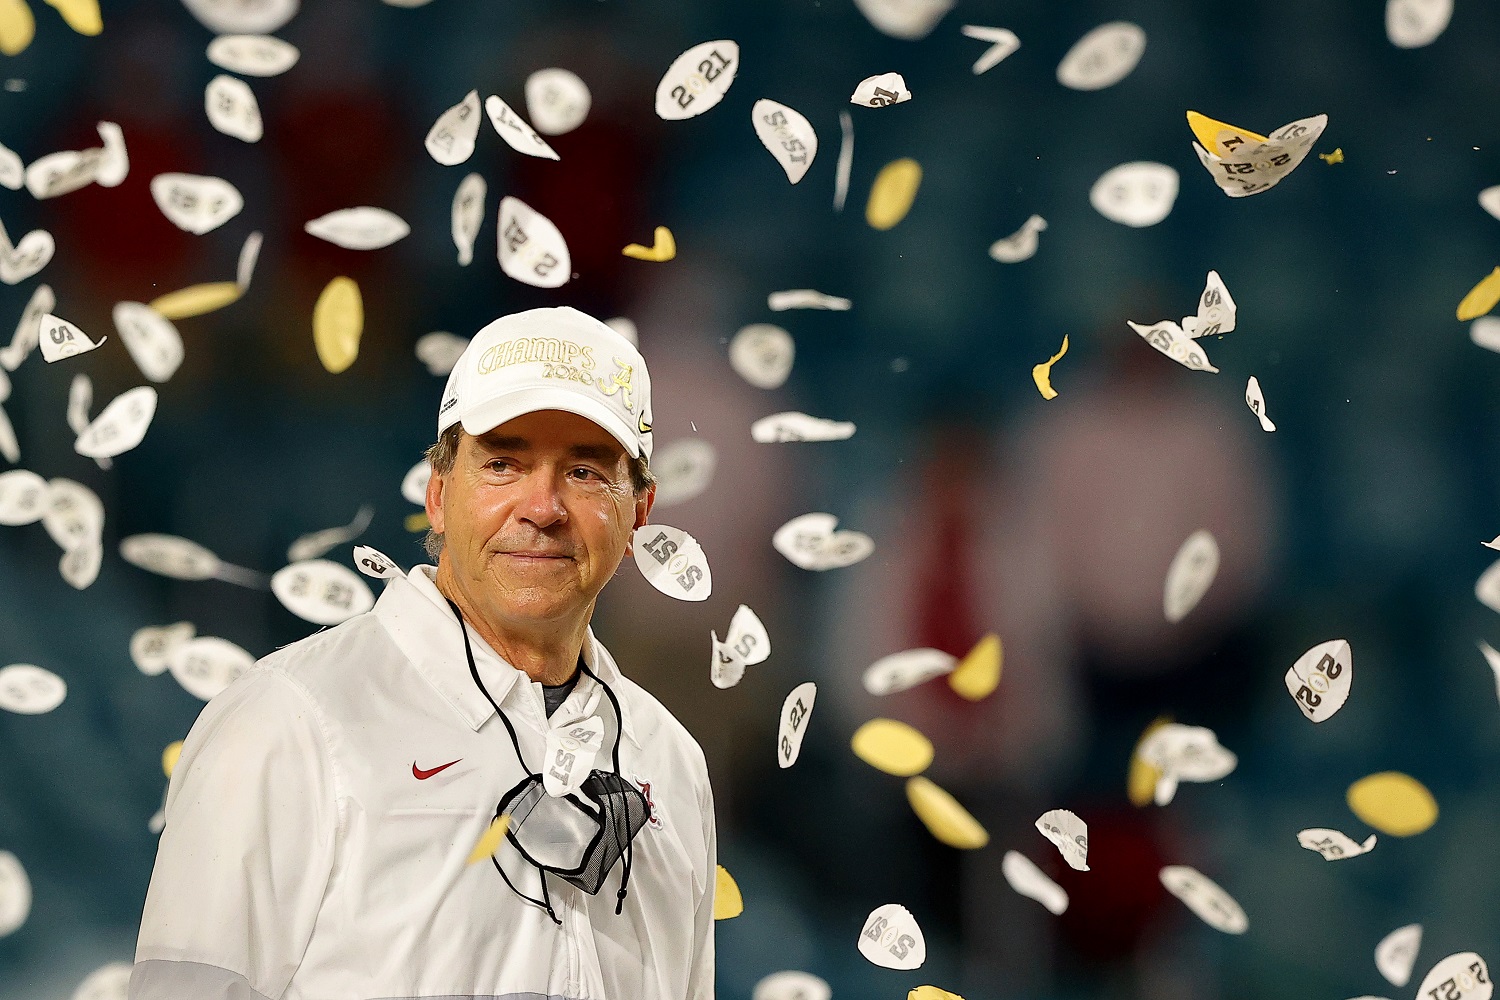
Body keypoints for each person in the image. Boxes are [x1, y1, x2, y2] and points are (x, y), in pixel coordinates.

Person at [129, 306, 717, 1000]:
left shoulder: (670, 763)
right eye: (503, 463)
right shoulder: (286, 723)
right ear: (439, 495)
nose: (543, 506)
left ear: (640, 511)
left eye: (585, 472)